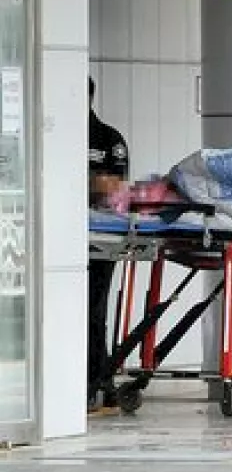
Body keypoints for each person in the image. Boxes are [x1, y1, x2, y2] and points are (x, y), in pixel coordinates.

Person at [88, 77, 129, 410]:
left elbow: (112, 189)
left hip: (100, 239)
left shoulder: (107, 139)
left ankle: (97, 379)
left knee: (93, 311)